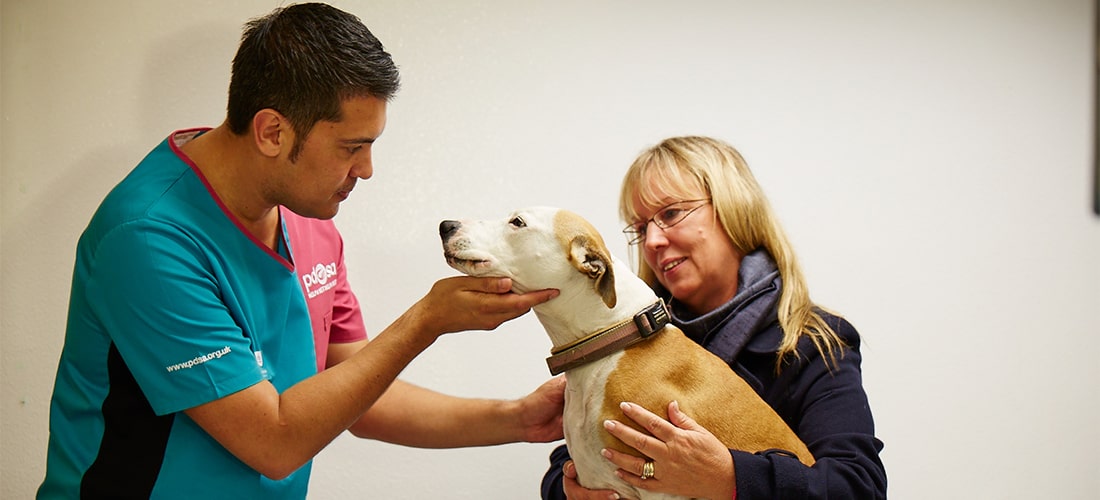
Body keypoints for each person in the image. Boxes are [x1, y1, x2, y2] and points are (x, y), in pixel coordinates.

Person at [38, 3, 564, 498]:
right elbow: (275, 440)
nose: (366, 170)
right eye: (351, 147)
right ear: (272, 131)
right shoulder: (146, 239)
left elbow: (363, 395)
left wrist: (517, 417)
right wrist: (427, 318)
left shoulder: (310, 219)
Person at [541, 136, 886, 499]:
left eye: (671, 213)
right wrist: (567, 490)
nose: (653, 241)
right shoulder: (622, 338)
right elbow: (566, 460)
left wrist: (729, 477)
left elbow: (858, 487)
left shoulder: (814, 341)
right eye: (641, 229)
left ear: (733, 209)